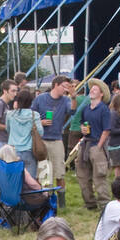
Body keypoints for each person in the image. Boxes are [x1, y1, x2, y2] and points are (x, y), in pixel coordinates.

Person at [32, 75, 72, 206]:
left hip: (57, 140)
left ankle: (62, 204)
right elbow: (31, 116)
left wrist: (74, 97)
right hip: (41, 140)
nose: (66, 90)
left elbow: (73, 111)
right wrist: (40, 122)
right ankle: (44, 201)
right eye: (64, 87)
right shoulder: (40, 99)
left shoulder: (65, 100)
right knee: (43, 173)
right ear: (56, 85)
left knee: (59, 173)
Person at [75, 80, 112, 210]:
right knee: (82, 175)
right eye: (91, 89)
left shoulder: (104, 109)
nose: (92, 90)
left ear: (101, 94)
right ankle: (90, 203)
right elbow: (82, 124)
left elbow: (106, 130)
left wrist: (99, 146)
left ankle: (104, 205)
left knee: (100, 176)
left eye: (95, 89)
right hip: (85, 145)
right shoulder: (86, 109)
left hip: (97, 145)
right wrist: (83, 129)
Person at [6, 86, 44, 178]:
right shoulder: (34, 115)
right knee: (30, 179)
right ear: (31, 102)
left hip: (13, 150)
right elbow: (40, 132)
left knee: (14, 179)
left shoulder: (10, 114)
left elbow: (8, 129)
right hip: (29, 150)